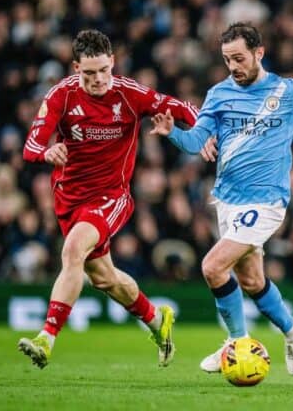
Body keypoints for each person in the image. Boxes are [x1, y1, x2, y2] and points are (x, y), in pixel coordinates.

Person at [150, 22, 293, 375]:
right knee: (251, 281)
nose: (233, 66)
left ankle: (236, 344)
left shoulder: (289, 90)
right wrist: (172, 133)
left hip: (266, 203)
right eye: (227, 59)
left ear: (258, 53)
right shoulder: (218, 94)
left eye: (239, 58)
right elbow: (194, 143)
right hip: (228, 200)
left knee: (213, 267)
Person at [18, 29, 199, 368]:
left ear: (113, 62)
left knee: (72, 251)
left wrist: (202, 133)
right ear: (76, 68)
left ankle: (46, 338)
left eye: (104, 70)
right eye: (89, 73)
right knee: (104, 277)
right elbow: (30, 146)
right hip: (69, 199)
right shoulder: (61, 96)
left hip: (111, 196)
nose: (99, 79)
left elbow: (181, 106)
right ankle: (158, 321)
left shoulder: (130, 94)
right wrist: (47, 152)